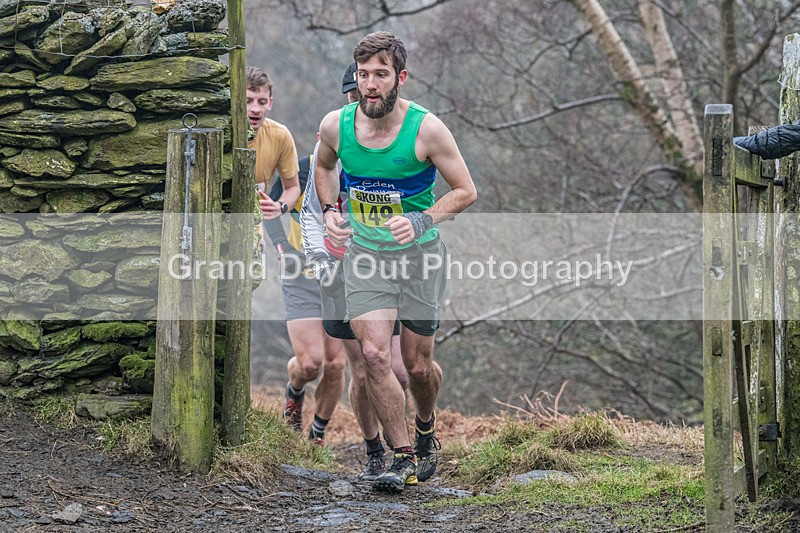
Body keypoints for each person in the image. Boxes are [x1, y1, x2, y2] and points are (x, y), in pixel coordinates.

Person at [314, 32, 478, 492]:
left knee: (419, 367)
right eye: (363, 74)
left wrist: (422, 219)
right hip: (365, 258)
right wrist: (331, 212)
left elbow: (466, 191)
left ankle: (426, 429)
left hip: (420, 259)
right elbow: (324, 168)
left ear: (399, 78)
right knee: (371, 355)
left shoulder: (426, 129)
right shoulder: (336, 126)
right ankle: (402, 456)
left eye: (380, 75)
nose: (370, 84)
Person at [301, 63, 410, 479]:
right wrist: (322, 264)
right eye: (352, 93)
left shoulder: (392, 142)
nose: (358, 100)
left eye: (364, 89)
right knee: (363, 365)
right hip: (338, 266)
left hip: (386, 264)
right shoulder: (332, 143)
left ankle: (408, 444)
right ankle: (373, 451)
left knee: (395, 365)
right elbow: (309, 212)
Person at [248, 66, 345, 444]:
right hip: (301, 275)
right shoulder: (305, 170)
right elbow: (270, 207)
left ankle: (316, 436)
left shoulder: (359, 175)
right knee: (310, 363)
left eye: (262, 101)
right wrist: (283, 250)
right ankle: (294, 391)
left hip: (339, 279)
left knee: (336, 363)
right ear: (320, 139)